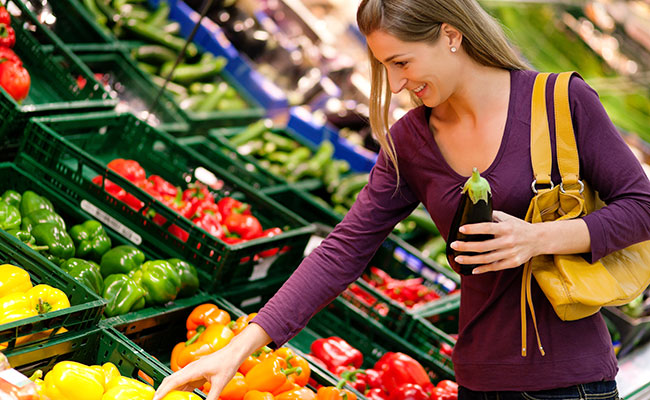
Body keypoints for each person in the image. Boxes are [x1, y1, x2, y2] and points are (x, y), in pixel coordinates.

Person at [154, 0, 650, 399]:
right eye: (383, 66)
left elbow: (641, 205)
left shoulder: (559, 101)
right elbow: (344, 249)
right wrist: (240, 346)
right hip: (478, 380)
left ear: (450, 35)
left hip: (572, 383)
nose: (394, 83)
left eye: (401, 62)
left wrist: (536, 237)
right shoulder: (412, 140)